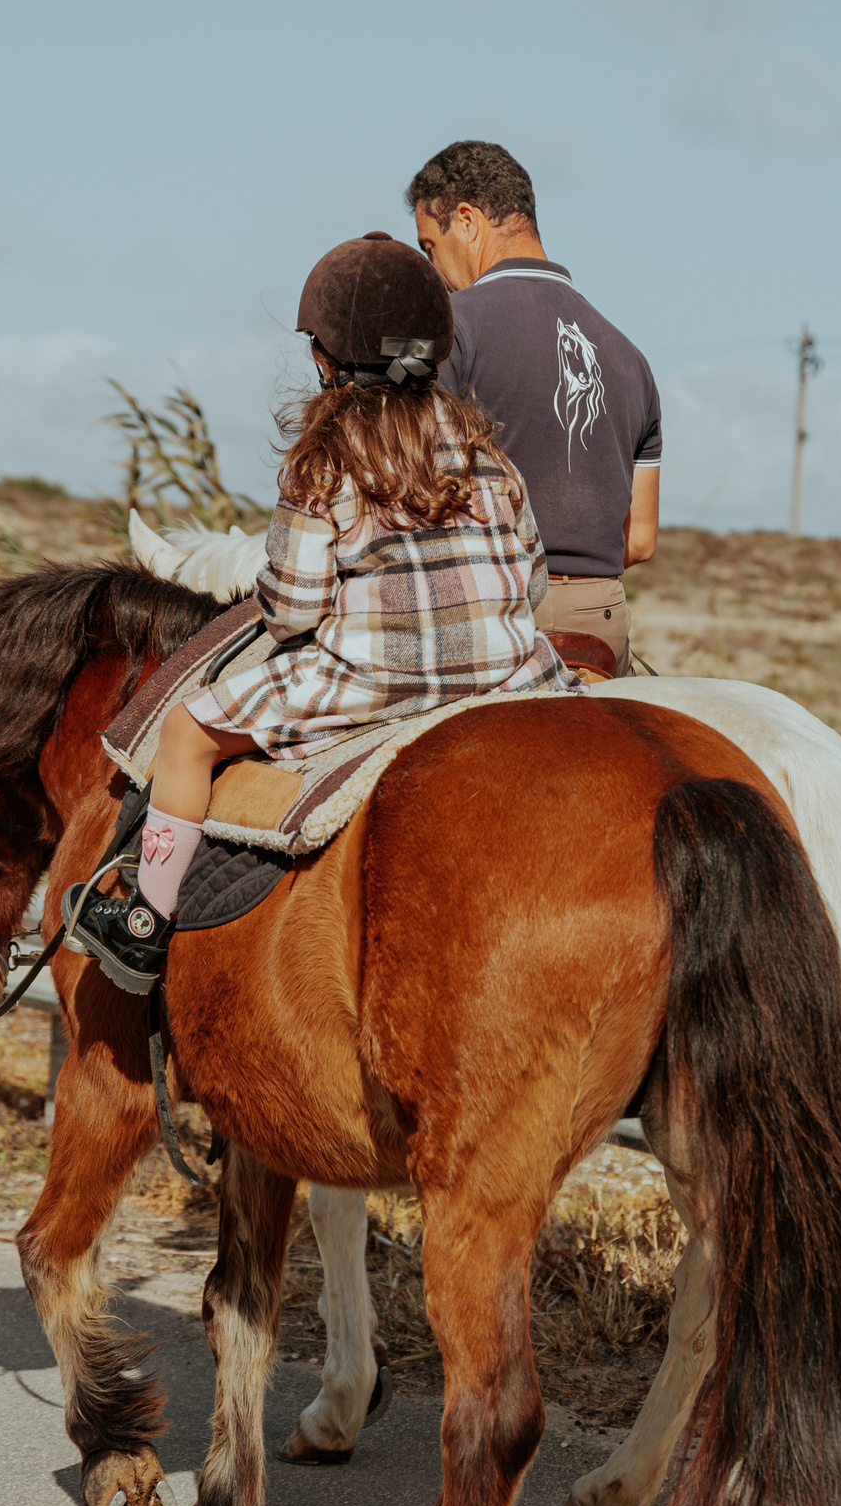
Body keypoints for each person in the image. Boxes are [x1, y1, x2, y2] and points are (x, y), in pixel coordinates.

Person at [68, 230, 579, 993]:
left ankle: (145, 921)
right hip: (508, 672)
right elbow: (532, 578)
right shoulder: (485, 452)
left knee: (186, 730)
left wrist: (275, 592)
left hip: (370, 681)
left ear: (324, 357)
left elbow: (292, 610)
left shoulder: (324, 458)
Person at [407, 141, 661, 677]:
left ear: (468, 221)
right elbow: (638, 541)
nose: (433, 271)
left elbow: (413, 494)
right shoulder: (631, 359)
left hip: (501, 618)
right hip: (603, 621)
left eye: (429, 247)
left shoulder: (451, 326)